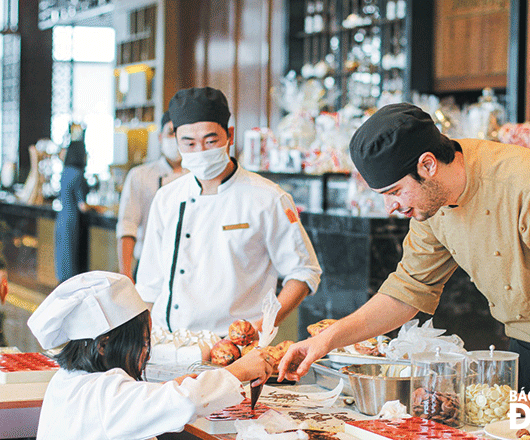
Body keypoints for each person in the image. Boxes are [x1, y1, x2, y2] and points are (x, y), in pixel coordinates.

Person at [278, 103, 530, 399]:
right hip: (526, 340)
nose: (391, 206)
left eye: (394, 192)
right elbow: (407, 290)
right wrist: (324, 341)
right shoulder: (429, 204)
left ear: (428, 165)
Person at [136, 87, 322, 335]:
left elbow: (304, 271)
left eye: (210, 141)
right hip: (167, 340)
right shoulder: (166, 197)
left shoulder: (268, 197)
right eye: (188, 143)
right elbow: (149, 284)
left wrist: (262, 325)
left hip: (235, 343)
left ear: (230, 136)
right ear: (176, 142)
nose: (200, 151)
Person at [27, 271, 273, 440]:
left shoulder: (70, 380)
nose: (146, 350)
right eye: (142, 342)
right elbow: (182, 401)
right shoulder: (103, 393)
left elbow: (140, 400)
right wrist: (240, 370)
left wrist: (178, 383)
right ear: (104, 345)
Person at [116, 111, 186, 282]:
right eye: (170, 133)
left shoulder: (197, 176)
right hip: (149, 265)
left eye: (181, 134)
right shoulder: (140, 175)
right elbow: (127, 226)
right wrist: (126, 275)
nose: (175, 139)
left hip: (188, 266)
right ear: (160, 137)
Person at [54, 123, 90, 283]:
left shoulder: (65, 172)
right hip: (72, 219)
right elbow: (83, 206)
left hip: (61, 217)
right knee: (70, 259)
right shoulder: (78, 174)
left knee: (62, 257)